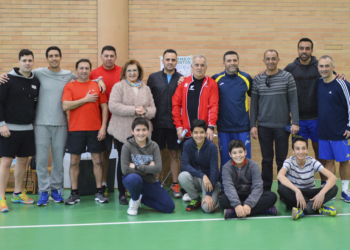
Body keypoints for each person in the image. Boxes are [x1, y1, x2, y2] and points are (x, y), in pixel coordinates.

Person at [0, 46, 105, 206]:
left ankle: (55, 190)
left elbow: (85, 76)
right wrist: (4, 75)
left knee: (58, 159)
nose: (54, 58)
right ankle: (44, 191)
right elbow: (21, 73)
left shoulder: (69, 75)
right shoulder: (39, 73)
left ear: (60, 57)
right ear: (47, 58)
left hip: (61, 124)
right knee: (41, 160)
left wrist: (100, 80)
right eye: (51, 56)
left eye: (56, 55)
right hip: (40, 124)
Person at [284, 38, 346, 185]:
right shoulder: (290, 68)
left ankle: (325, 183)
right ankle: (299, 183)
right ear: (297, 50)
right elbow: (277, 77)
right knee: (299, 154)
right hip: (299, 120)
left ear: (312, 50)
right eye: (301, 48)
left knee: (321, 155)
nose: (304, 51)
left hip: (317, 120)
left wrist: (340, 75)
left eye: (307, 48)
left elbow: (332, 76)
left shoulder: (318, 67)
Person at [107, 59, 156, 205]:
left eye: (134, 70)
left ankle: (139, 191)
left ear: (139, 72)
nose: (132, 73)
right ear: (124, 73)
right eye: (129, 70)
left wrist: (145, 111)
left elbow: (153, 109)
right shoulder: (119, 86)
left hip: (141, 134)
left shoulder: (145, 88)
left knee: (141, 162)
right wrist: (134, 110)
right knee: (124, 162)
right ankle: (122, 193)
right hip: (122, 132)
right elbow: (113, 106)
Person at [250, 49, 299, 191]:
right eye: (268, 58)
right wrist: (253, 125)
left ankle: (283, 190)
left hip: (282, 127)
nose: (270, 61)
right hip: (264, 127)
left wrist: (295, 121)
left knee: (282, 161)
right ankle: (266, 190)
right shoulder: (258, 79)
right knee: (266, 160)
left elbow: (293, 101)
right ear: (264, 61)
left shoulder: (287, 77)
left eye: (273, 58)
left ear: (278, 60)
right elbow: (253, 105)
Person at [62, 59, 109, 205]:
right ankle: (74, 193)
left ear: (90, 70)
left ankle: (99, 192)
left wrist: (103, 127)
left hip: (95, 129)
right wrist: (86, 99)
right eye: (81, 68)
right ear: (76, 70)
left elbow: (105, 108)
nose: (84, 70)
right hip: (76, 129)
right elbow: (65, 106)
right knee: (74, 161)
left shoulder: (96, 85)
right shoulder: (70, 86)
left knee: (97, 161)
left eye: (86, 68)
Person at [0, 49, 40, 212]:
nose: (27, 63)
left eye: (30, 60)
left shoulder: (36, 81)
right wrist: (1, 124)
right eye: (24, 60)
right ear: (18, 62)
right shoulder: (6, 79)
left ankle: (17, 193)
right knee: (6, 162)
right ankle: (2, 197)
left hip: (28, 129)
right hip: (8, 129)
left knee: (23, 161)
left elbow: (35, 105)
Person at [212, 50, 253, 191]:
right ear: (223, 63)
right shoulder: (216, 79)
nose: (232, 63)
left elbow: (257, 97)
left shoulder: (246, 78)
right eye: (229, 60)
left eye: (234, 60)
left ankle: (246, 187)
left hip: (243, 127)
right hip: (223, 128)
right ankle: (225, 188)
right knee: (226, 160)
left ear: (238, 61)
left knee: (244, 159)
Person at [121, 117, 175, 215]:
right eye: (138, 130)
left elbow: (158, 169)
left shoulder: (154, 146)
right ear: (132, 131)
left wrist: (137, 166)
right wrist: (149, 168)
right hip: (133, 181)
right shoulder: (127, 146)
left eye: (144, 130)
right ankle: (135, 199)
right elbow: (125, 170)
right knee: (134, 179)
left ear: (148, 131)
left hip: (150, 182)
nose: (141, 133)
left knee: (169, 207)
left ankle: (141, 199)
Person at [147, 49, 183, 198]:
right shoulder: (153, 78)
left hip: (175, 124)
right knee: (158, 155)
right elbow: (147, 100)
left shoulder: (182, 79)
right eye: (167, 59)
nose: (170, 62)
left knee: (175, 154)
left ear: (176, 61)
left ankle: (175, 185)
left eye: (173, 60)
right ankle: (157, 185)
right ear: (163, 60)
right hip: (157, 123)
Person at [277, 137, 338, 220]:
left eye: (303, 148)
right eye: (297, 149)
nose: (301, 152)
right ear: (293, 151)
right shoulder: (289, 161)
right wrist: (297, 191)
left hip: (310, 194)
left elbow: (333, 177)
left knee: (334, 188)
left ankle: (303, 211)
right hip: (295, 196)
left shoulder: (312, 161)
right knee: (281, 188)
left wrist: (321, 193)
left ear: (307, 150)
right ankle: (317, 208)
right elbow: (280, 176)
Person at [89, 45, 122, 197]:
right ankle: (104, 185)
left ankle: (125, 186)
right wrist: (96, 81)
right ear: (101, 57)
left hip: (121, 119)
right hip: (102, 121)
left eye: (112, 56)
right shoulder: (94, 73)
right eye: (106, 56)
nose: (109, 58)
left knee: (124, 154)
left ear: (115, 57)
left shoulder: (123, 72)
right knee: (104, 154)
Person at [317, 55, 350, 202]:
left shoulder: (342, 83)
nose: (324, 69)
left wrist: (349, 126)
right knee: (328, 162)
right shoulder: (318, 83)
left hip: (340, 131)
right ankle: (331, 191)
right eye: (321, 66)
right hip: (324, 132)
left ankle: (345, 190)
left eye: (327, 66)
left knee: (344, 162)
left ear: (333, 67)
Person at [220, 140, 278, 219]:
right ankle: (262, 210)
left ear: (245, 152)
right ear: (230, 154)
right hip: (237, 195)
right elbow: (229, 187)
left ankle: (234, 213)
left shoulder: (254, 165)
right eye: (234, 153)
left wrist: (248, 204)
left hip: (251, 195)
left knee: (272, 196)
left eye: (240, 152)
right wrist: (237, 205)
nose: (238, 155)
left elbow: (258, 186)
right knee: (223, 199)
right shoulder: (226, 168)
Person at [172, 55, 219, 145]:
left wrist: (211, 127)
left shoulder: (212, 84)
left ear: (206, 67)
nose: (199, 68)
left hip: (204, 131)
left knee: (204, 158)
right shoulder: (183, 83)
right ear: (192, 67)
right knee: (187, 158)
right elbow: (176, 106)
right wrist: (179, 126)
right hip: (186, 131)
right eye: (196, 65)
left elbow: (213, 107)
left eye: (202, 65)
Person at [178, 119, 220, 213]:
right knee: (182, 176)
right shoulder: (187, 145)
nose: (199, 135)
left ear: (205, 133)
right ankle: (196, 199)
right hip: (198, 178)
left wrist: (209, 195)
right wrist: (202, 175)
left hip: (210, 181)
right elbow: (184, 165)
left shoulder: (212, 147)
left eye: (201, 132)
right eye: (196, 132)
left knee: (207, 209)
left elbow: (214, 172)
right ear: (191, 134)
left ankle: (213, 194)